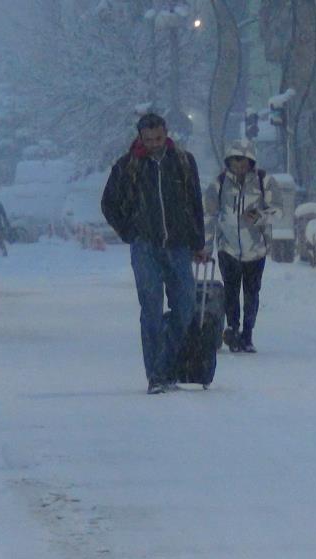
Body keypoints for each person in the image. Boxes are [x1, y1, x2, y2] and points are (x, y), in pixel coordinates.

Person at [101, 113, 206, 395]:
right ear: (140, 137)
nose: (154, 144)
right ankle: (157, 375)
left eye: (158, 138)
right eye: (148, 140)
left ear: (166, 134)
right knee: (151, 310)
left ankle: (165, 364)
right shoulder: (127, 167)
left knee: (184, 307)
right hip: (145, 247)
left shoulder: (183, 163)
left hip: (178, 245)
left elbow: (195, 202)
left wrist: (198, 242)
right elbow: (108, 203)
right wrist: (130, 232)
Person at [204, 139, 281, 353]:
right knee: (230, 290)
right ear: (228, 162)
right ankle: (233, 329)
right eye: (235, 161)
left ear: (251, 162)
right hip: (227, 247)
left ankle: (247, 333)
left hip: (255, 250)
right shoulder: (218, 184)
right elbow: (209, 215)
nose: (239, 166)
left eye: (244, 161)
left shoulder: (264, 182)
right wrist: (206, 246)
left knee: (251, 292)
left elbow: (279, 211)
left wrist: (259, 217)